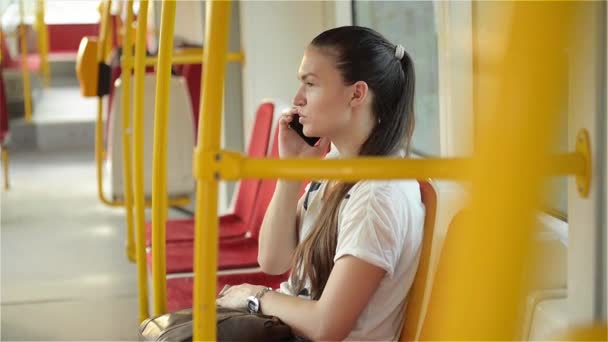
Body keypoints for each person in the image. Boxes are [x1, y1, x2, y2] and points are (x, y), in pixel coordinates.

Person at [216, 26, 425, 341]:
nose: (297, 99)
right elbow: (273, 260)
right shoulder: (338, 165)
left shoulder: (378, 196)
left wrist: (255, 296)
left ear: (357, 94)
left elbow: (327, 325)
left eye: (310, 84)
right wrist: (291, 171)